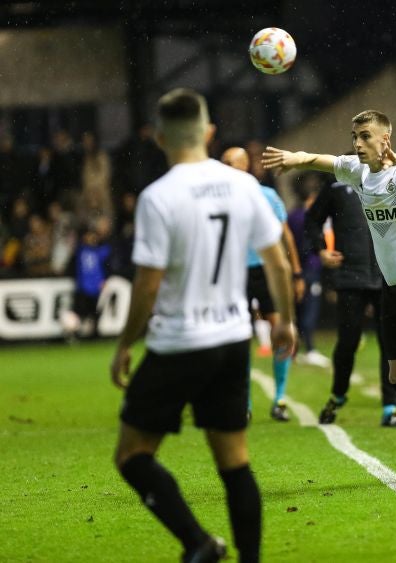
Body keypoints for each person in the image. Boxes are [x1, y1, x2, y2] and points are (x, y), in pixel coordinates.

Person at [110, 88, 296, 562]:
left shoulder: (157, 198)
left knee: (133, 455)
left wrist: (125, 344)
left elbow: (147, 287)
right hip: (232, 339)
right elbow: (276, 263)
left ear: (157, 137)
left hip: (179, 343)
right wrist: (285, 323)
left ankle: (198, 542)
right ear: (210, 133)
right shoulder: (244, 187)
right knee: (235, 463)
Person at [262, 109, 396, 485]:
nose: (357, 144)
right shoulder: (358, 172)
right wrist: (296, 158)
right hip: (392, 283)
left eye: (365, 136)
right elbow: (323, 161)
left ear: (385, 138)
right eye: (355, 136)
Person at [304, 174, 396, 428]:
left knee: (391, 341)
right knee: (348, 341)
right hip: (350, 276)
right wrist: (321, 249)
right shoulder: (337, 183)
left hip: (386, 274)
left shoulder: (392, 178)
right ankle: (337, 395)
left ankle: (390, 407)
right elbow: (312, 219)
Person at [221, 146, 305, 422]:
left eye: (228, 163)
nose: (223, 168)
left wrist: (296, 273)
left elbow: (285, 237)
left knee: (279, 332)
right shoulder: (219, 199)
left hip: (266, 271)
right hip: (235, 273)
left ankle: (279, 398)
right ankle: (243, 403)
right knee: (238, 338)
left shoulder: (267, 196)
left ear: (243, 165)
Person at [287, 172, 331, 368]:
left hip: (296, 268)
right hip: (309, 268)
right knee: (309, 310)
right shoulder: (307, 216)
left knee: (298, 308)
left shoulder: (292, 214)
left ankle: (294, 348)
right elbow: (305, 244)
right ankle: (309, 349)